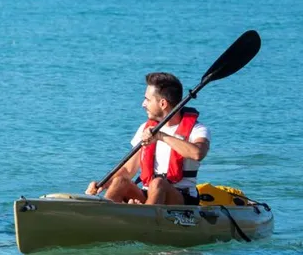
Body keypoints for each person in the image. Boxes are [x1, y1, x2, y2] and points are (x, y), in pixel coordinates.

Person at [86, 72, 210, 205]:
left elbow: (198, 153)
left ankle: (144, 217)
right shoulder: (145, 129)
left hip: (181, 198)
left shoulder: (197, 130)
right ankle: (104, 215)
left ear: (163, 103)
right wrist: (103, 184)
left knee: (158, 183)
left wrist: (161, 136)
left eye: (148, 99)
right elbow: (128, 170)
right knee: (120, 180)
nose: (143, 104)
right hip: (148, 194)